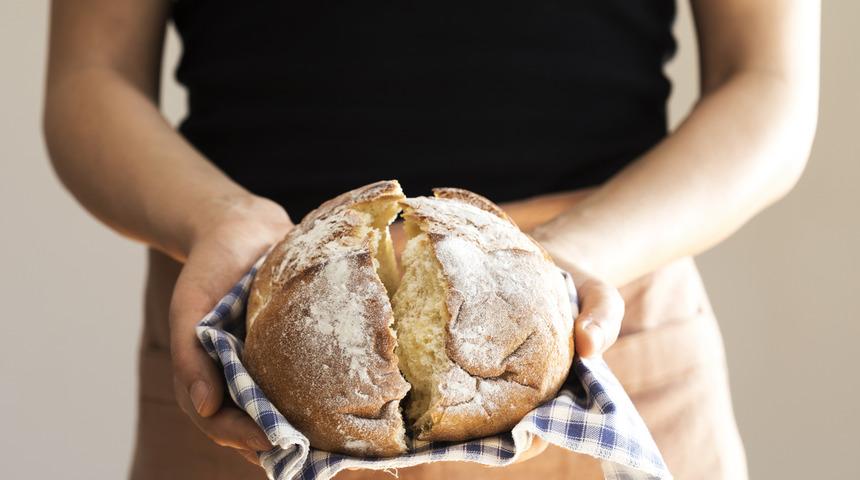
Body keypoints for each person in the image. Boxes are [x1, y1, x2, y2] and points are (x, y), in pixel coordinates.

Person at [43, 1, 818, 478]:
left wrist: (574, 263)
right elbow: (89, 79)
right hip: (254, 320)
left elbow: (768, 85)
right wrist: (216, 220)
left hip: (599, 322)